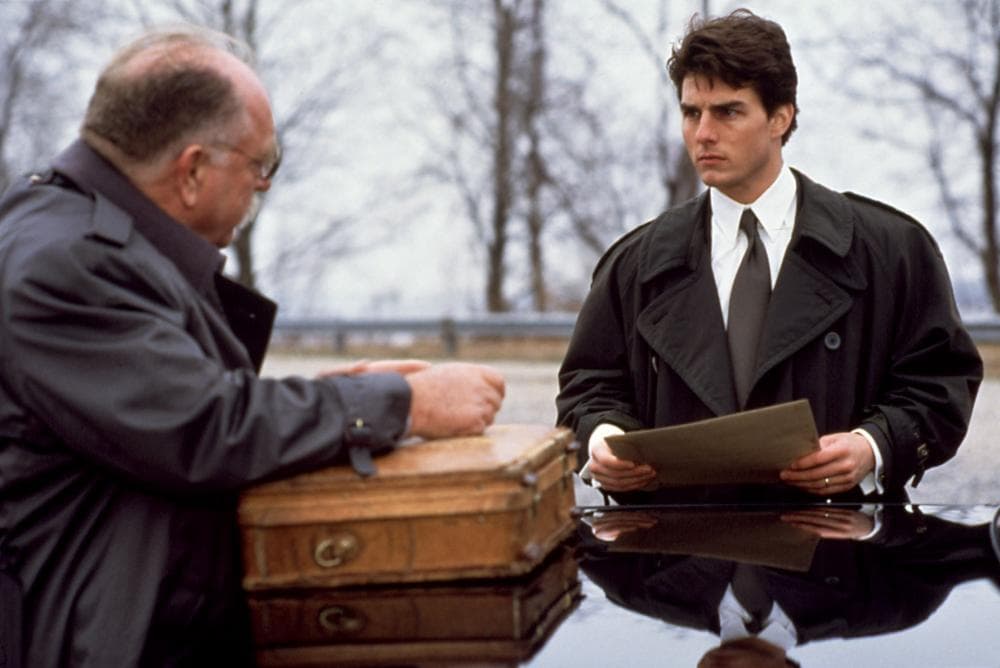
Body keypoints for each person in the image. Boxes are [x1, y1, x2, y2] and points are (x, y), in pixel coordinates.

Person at [0, 26, 505, 667]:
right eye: (259, 167)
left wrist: (337, 396)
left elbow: (160, 408)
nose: (262, 189)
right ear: (192, 171)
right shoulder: (68, 261)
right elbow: (202, 428)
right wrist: (403, 403)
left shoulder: (80, 232)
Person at [556, 9, 982, 503]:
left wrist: (873, 446)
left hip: (841, 535)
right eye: (692, 113)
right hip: (675, 542)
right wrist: (604, 441)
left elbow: (940, 383)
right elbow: (588, 389)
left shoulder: (890, 250)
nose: (703, 133)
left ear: (781, 117)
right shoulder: (635, 265)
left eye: (728, 112)